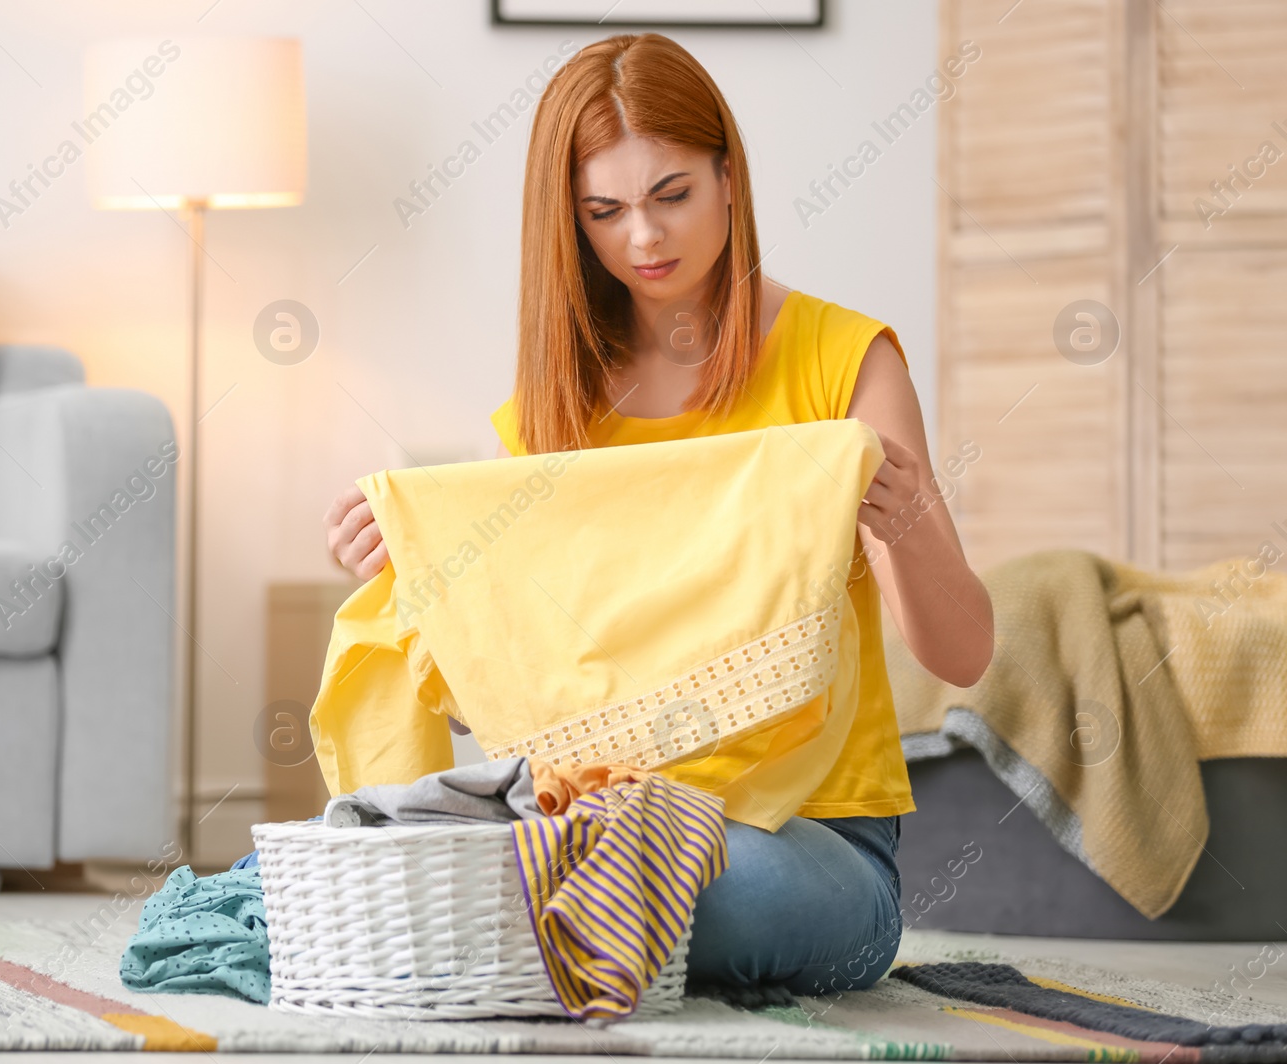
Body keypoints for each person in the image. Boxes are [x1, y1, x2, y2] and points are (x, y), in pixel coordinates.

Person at [322, 32, 994, 999]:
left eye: (672, 194)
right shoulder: (553, 412)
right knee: (407, 853)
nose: (644, 238)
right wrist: (419, 576)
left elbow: (961, 654)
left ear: (730, 178)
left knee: (687, 886)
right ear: (571, 222)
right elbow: (518, 709)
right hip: (600, 819)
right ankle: (537, 918)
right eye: (606, 211)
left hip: (810, 844)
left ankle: (504, 924)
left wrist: (906, 520)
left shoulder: (843, 361)